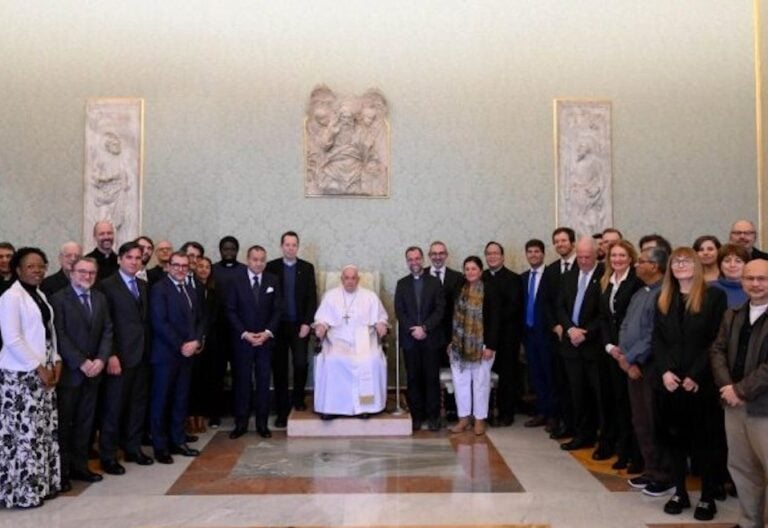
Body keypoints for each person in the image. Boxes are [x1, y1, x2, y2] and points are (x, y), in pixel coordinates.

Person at [653, 247, 727, 519]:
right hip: (669, 382)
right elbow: (657, 340)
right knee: (674, 441)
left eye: (686, 261)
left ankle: (708, 496)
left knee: (705, 442)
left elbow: (715, 341)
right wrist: (664, 372)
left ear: (696, 265)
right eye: (676, 261)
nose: (681, 265)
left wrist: (695, 375)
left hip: (700, 382)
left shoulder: (714, 296)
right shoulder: (664, 298)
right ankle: (680, 492)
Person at [0, 247, 62, 508]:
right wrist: (39, 366)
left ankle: (42, 485)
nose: (37, 270)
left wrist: (56, 360)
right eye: (31, 266)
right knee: (23, 436)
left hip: (44, 369)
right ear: (18, 270)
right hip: (20, 375)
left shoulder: (39, 295)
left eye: (41, 266)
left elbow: (48, 332)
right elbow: (12, 338)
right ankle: (22, 492)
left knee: (41, 432)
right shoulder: (10, 297)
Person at [711, 258, 768, 528]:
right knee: (743, 469)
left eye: (762, 278)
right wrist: (728, 388)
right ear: (742, 281)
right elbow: (717, 350)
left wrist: (741, 390)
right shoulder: (733, 313)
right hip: (734, 406)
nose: (755, 284)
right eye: (750, 278)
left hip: (763, 407)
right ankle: (749, 522)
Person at [51, 257, 112, 489]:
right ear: (71, 273)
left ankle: (80, 466)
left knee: (86, 423)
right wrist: (81, 362)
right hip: (71, 373)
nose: (87, 277)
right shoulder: (58, 299)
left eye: (91, 273)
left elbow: (108, 330)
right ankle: (63, 471)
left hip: (94, 372)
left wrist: (100, 359)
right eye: (82, 272)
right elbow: (60, 335)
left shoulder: (100, 298)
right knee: (66, 423)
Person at [620, 247, 674, 497]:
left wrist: (633, 359)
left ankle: (665, 474)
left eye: (641, 261)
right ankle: (650, 468)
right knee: (640, 420)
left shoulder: (665, 293)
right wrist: (623, 356)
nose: (636, 265)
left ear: (655, 266)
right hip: (631, 366)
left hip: (650, 367)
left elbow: (654, 334)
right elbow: (626, 326)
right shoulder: (640, 293)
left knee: (655, 420)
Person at [99, 241, 153, 473]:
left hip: (142, 356)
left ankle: (132, 448)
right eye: (129, 257)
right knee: (114, 407)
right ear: (120, 259)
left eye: (137, 258)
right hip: (118, 357)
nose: (134, 261)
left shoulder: (142, 285)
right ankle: (108, 455)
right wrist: (111, 355)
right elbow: (105, 324)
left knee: (137, 405)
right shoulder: (106, 286)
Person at [149, 251, 205, 463]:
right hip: (165, 355)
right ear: (168, 267)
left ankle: (178, 440)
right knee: (161, 401)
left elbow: (200, 319)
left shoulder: (191, 289)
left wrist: (196, 341)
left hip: (187, 355)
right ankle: (160, 446)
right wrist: (181, 344)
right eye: (176, 265)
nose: (181, 269)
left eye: (184, 266)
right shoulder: (159, 289)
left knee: (180, 400)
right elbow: (160, 322)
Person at [313, 265, 388, 419]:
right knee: (333, 361)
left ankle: (365, 406)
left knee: (371, 360)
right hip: (337, 339)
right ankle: (331, 408)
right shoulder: (330, 296)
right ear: (342, 279)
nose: (350, 281)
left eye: (353, 278)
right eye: (346, 278)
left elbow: (380, 317)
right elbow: (321, 318)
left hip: (364, 339)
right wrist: (320, 327)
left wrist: (381, 324)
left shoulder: (370, 296)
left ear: (358, 279)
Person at [557, 237, 607, 457]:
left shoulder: (604, 275)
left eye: (588, 257)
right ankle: (582, 435)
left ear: (596, 255)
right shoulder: (568, 276)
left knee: (599, 395)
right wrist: (570, 329)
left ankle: (604, 440)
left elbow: (605, 313)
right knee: (577, 394)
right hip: (571, 345)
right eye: (580, 256)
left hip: (593, 346)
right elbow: (560, 306)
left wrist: (585, 333)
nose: (584, 261)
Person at [225, 245, 282, 439]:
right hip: (243, 341)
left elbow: (277, 310)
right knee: (242, 382)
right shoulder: (236, 280)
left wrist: (267, 333)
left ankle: (262, 424)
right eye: (255, 259)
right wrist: (244, 333)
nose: (258, 263)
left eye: (262, 260)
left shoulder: (273, 280)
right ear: (248, 260)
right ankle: (241, 423)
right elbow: (230, 310)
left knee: (264, 383)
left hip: (265, 341)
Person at [265, 231, 318, 426]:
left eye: (294, 245)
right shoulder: (271, 267)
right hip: (277, 326)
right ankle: (281, 409)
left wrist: (307, 323)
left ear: (298, 247)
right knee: (279, 368)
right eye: (287, 244)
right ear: (281, 246)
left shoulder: (306, 267)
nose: (290, 248)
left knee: (300, 363)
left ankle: (297, 398)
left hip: (299, 325)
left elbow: (312, 297)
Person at [599, 240, 642, 470]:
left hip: (631, 353)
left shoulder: (635, 282)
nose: (617, 259)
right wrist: (609, 346)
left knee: (632, 406)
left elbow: (635, 320)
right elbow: (604, 317)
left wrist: (624, 349)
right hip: (611, 353)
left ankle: (636, 456)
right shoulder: (607, 281)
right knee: (616, 404)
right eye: (613, 255)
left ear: (630, 258)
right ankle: (622, 452)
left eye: (622, 255)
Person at [448, 256, 500, 436]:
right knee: (460, 383)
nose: (470, 272)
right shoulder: (458, 288)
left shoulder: (490, 290)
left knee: (480, 384)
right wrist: (451, 341)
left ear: (480, 270)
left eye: (474, 269)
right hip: (458, 346)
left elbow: (495, 319)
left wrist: (490, 345)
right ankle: (463, 419)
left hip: (482, 346)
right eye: (467, 269)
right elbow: (452, 316)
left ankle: (479, 419)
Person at [394, 246, 445, 432]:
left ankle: (433, 418)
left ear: (422, 259)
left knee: (431, 379)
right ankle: (416, 416)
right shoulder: (402, 283)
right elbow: (400, 310)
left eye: (417, 258)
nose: (414, 262)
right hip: (410, 339)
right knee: (413, 378)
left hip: (430, 338)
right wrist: (413, 329)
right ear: (407, 261)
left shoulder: (434, 282)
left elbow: (440, 310)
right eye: (410, 259)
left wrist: (424, 328)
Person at [482, 241, 523, 426]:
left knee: (507, 375)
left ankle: (506, 413)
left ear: (503, 256)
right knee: (484, 376)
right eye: (489, 254)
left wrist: (493, 322)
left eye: (496, 253)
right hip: (484, 337)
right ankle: (487, 411)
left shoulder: (513, 279)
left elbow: (514, 308)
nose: (492, 256)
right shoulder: (479, 277)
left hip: (507, 336)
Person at [543, 227, 577, 439]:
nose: (560, 244)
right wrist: (555, 325)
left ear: (572, 243)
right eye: (556, 241)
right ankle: (563, 421)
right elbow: (547, 303)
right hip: (557, 336)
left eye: (564, 240)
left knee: (578, 385)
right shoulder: (552, 270)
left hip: (581, 335)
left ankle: (578, 425)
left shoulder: (583, 267)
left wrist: (573, 327)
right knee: (560, 382)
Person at [425, 241, 464, 422]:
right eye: (434, 254)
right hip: (428, 335)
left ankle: (452, 409)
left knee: (454, 372)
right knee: (430, 372)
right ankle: (430, 410)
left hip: (450, 334)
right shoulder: (422, 275)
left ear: (446, 255)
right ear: (429, 256)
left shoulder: (457, 277)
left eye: (441, 253)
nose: (437, 257)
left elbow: (460, 307)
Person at [209, 235, 245, 428]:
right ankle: (215, 413)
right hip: (218, 330)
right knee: (217, 373)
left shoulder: (244, 270)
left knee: (240, 373)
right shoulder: (213, 270)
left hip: (238, 331)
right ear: (220, 250)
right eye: (225, 249)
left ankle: (239, 410)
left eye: (232, 249)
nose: (229, 252)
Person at [520, 239, 557, 429]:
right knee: (536, 375)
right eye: (530, 251)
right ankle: (542, 412)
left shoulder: (552, 275)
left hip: (547, 334)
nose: (533, 255)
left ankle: (553, 415)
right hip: (529, 334)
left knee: (550, 374)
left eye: (536, 251)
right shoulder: (523, 277)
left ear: (543, 254)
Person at [188, 256, 218, 434]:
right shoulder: (191, 288)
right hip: (193, 341)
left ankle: (201, 416)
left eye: (207, 267)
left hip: (210, 341)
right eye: (200, 266)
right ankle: (190, 417)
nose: (204, 269)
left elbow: (212, 316)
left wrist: (205, 336)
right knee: (192, 381)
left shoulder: (214, 290)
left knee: (205, 380)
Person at [711, 243, 749, 309]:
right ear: (720, 265)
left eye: (738, 261)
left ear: (746, 265)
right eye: (727, 261)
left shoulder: (756, 289)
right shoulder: (707, 288)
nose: (732, 265)